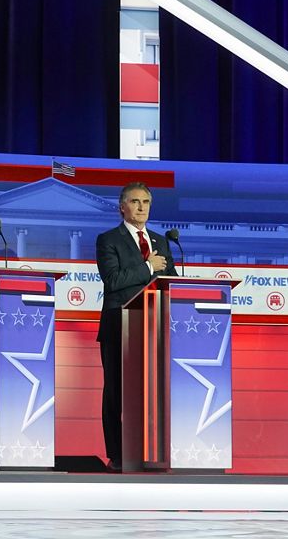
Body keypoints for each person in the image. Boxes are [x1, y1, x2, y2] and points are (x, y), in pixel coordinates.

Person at [95, 182, 175, 472]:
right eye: (135, 201)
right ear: (122, 207)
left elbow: (171, 282)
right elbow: (113, 281)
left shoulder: (161, 241)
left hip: (153, 326)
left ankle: (151, 451)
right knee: (116, 390)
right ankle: (117, 454)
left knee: (152, 390)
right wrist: (148, 267)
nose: (142, 207)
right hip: (120, 326)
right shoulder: (108, 240)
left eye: (146, 202)